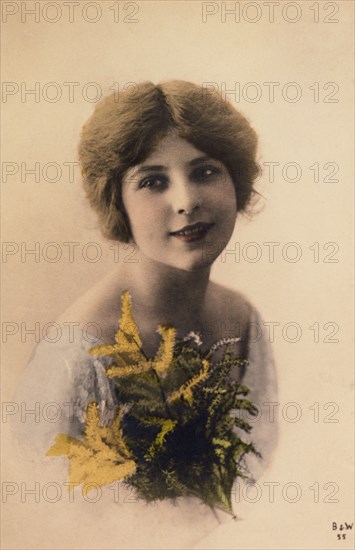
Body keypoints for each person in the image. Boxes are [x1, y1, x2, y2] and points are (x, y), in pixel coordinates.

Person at [13, 81, 277, 540]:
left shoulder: (241, 319)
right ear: (118, 201)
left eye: (205, 172)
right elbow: (44, 525)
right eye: (153, 181)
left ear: (236, 179)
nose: (185, 201)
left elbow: (257, 481)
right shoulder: (80, 353)